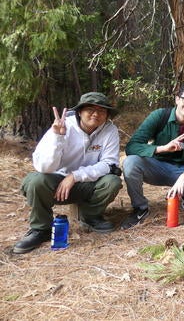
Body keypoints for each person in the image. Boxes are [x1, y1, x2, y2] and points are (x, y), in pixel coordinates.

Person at [14, 92, 122, 254]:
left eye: (102, 110)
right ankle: (40, 229)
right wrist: (58, 137)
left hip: (86, 183)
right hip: (55, 184)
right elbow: (44, 167)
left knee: (112, 181)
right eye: (90, 109)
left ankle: (89, 217)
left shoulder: (109, 130)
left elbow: (109, 164)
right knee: (36, 181)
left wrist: (75, 176)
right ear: (79, 111)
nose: (96, 114)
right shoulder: (63, 125)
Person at [121, 82, 184, 229]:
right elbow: (132, 146)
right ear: (177, 99)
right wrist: (162, 148)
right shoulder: (159, 116)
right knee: (130, 162)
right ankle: (140, 208)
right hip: (157, 167)